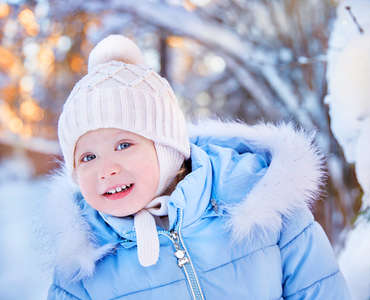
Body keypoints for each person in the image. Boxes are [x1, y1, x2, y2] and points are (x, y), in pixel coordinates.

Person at [46, 34, 351, 300]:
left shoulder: (262, 202)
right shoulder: (83, 265)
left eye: (123, 145)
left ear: (167, 147)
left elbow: (321, 289)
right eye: (87, 157)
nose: (105, 169)